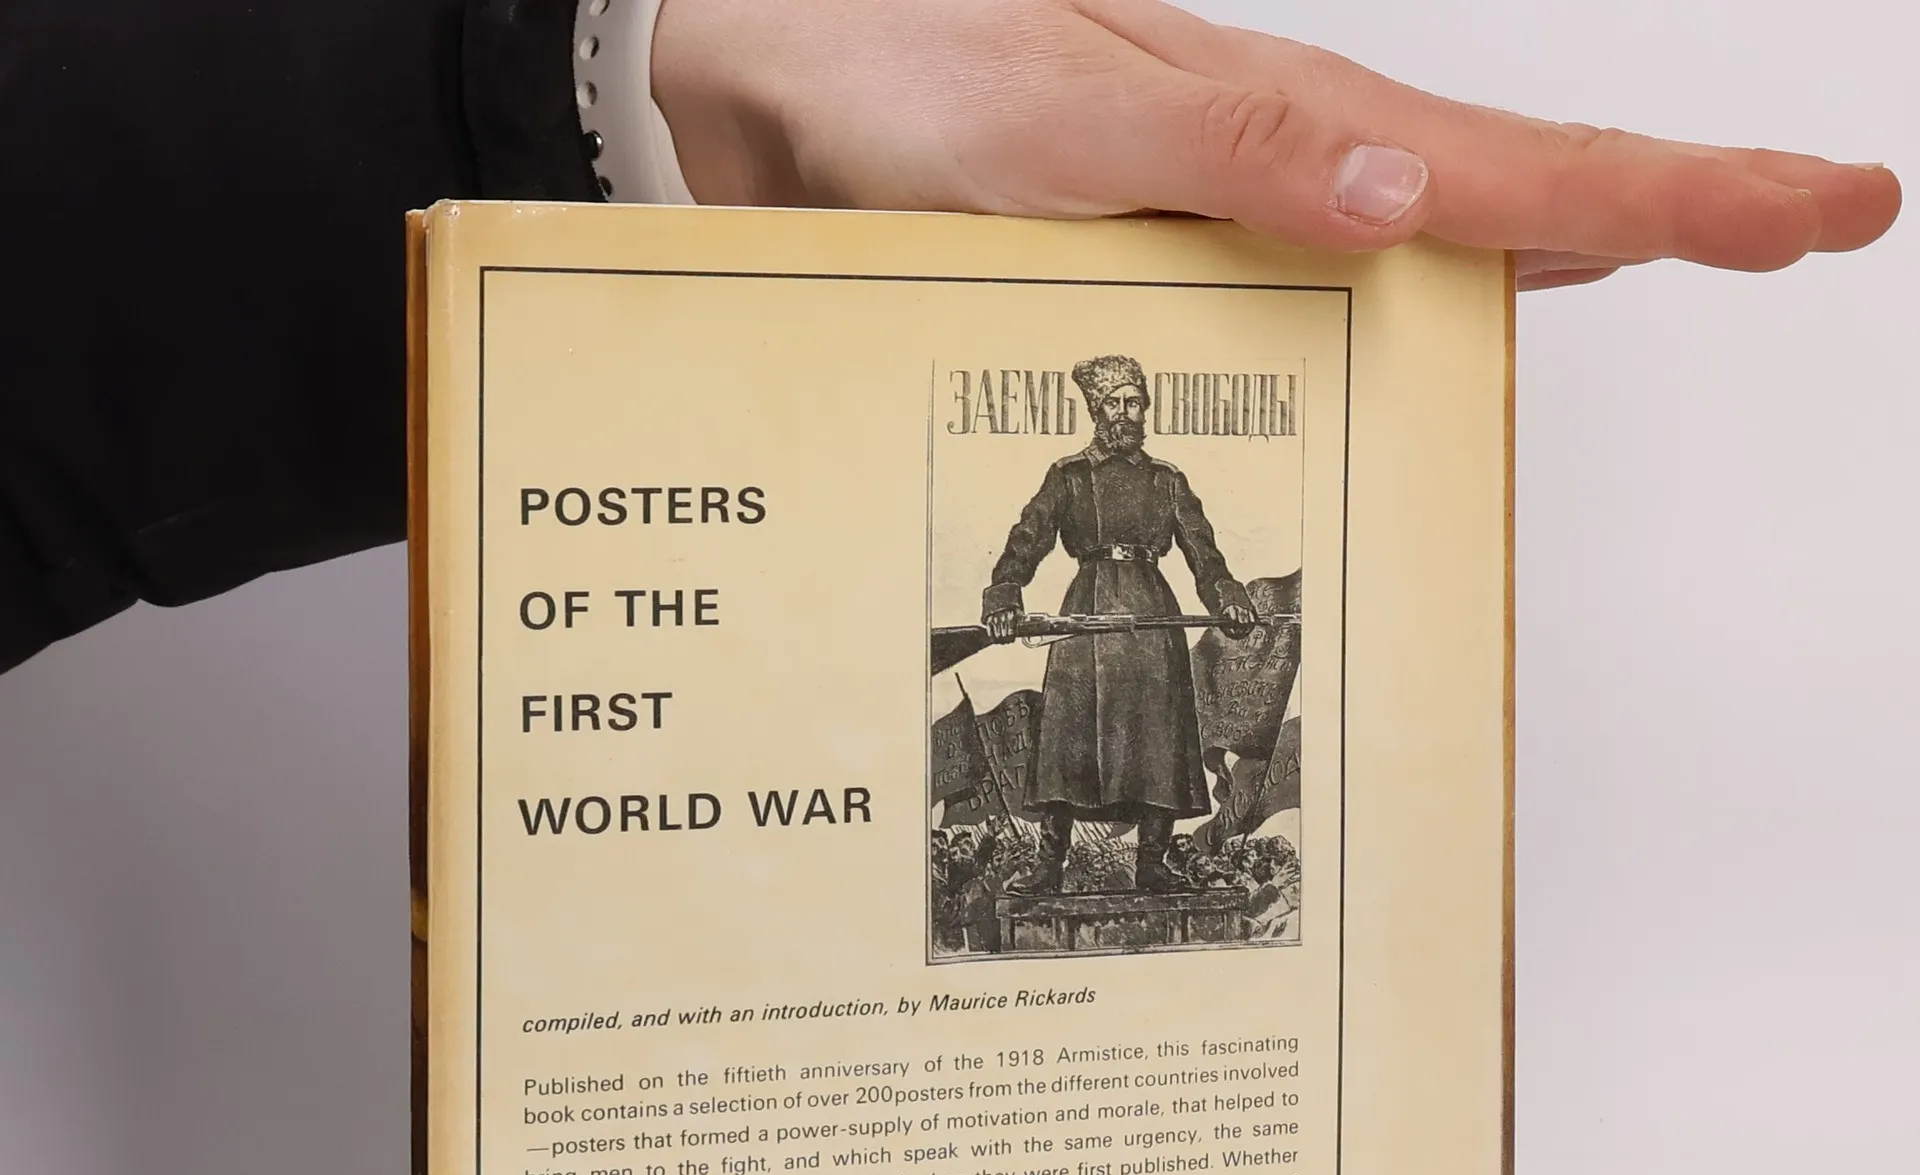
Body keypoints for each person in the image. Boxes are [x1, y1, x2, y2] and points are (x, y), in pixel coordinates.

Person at [0, 0, 1899, 675]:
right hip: (1088, 639)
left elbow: (1198, 545)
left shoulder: (1143, 477)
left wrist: (646, 91)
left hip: (1144, 636)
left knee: (1145, 791)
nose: (1119, 410)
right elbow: (1026, 549)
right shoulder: (1080, 475)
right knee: (1082, 782)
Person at [984, 354, 1256, 894]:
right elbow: (1027, 538)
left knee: (1159, 738)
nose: (1126, 412)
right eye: (1115, 403)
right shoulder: (1068, 475)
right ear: (1096, 410)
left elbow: (1204, 554)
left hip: (1152, 619)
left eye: (1135, 402)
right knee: (1067, 739)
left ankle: (1152, 864)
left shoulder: (1166, 480)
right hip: (1085, 617)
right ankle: (1049, 866)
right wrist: (1004, 595)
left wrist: (1228, 598)